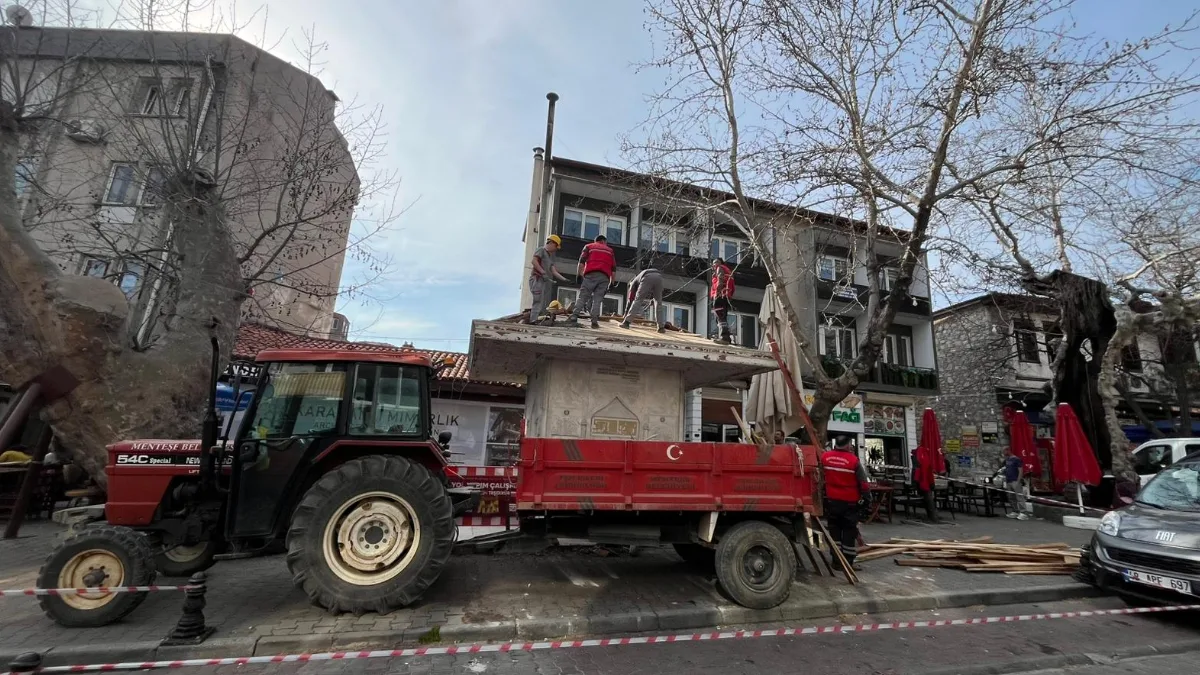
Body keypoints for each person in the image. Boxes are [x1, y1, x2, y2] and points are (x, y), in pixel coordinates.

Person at [820, 435, 872, 572]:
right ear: (848, 444)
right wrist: (867, 500)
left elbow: (819, 477)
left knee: (834, 531)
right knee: (849, 532)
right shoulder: (853, 460)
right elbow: (863, 483)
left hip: (831, 501)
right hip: (850, 503)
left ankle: (836, 561)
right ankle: (848, 563)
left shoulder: (825, 457)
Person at [566, 234, 616, 329]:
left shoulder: (589, 247)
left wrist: (579, 275)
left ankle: (574, 316)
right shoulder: (610, 251)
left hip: (590, 275)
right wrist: (612, 283)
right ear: (603, 241)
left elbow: (581, 261)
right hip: (604, 277)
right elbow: (613, 269)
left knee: (583, 296)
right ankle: (594, 321)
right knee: (597, 299)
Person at [529, 235, 567, 324]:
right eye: (556, 246)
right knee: (538, 300)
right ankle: (533, 320)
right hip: (537, 279)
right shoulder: (541, 250)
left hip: (542, 281)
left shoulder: (549, 258)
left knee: (541, 302)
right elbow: (534, 261)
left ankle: (537, 319)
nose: (555, 249)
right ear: (551, 243)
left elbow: (554, 271)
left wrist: (565, 280)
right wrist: (543, 272)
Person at [620, 261, 665, 332]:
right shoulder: (639, 278)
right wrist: (654, 299)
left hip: (647, 276)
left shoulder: (632, 284)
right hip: (659, 277)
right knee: (658, 303)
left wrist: (625, 314)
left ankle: (626, 322)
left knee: (637, 300)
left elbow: (630, 300)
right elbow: (653, 290)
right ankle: (661, 327)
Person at [912, 444, 945, 523]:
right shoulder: (924, 456)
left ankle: (932, 516)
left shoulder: (921, 456)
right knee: (928, 498)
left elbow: (919, 470)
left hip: (923, 481)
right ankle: (932, 516)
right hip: (925, 481)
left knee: (927, 498)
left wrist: (915, 481)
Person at [710, 258, 735, 344]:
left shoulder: (720, 268)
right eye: (713, 263)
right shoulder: (729, 272)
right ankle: (726, 337)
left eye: (716, 262)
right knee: (723, 316)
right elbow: (732, 287)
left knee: (719, 316)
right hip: (726, 296)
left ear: (720, 263)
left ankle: (724, 337)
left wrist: (717, 293)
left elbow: (720, 281)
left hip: (720, 295)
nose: (714, 264)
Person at [1004, 449, 1030, 520]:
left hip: (1015, 480)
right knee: (1011, 497)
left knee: (1019, 497)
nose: (1003, 453)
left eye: (1004, 451)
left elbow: (1020, 470)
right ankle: (1015, 511)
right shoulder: (1007, 460)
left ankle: (1024, 513)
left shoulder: (1016, 459)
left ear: (1008, 450)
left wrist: (1018, 481)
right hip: (1009, 481)